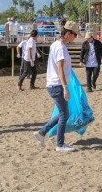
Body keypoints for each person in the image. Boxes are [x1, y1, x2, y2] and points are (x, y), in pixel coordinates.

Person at [33, 21, 78, 152]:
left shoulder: (56, 45)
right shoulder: (60, 47)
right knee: (64, 114)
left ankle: (42, 132)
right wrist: (65, 87)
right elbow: (60, 69)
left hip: (54, 84)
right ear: (69, 33)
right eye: (75, 35)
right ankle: (60, 144)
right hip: (57, 85)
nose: (75, 38)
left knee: (64, 113)